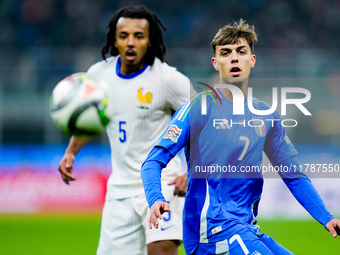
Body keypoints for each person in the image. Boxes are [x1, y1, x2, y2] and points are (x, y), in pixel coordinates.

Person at [141, 20, 340, 255]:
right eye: (225, 53)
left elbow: (294, 176)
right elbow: (153, 161)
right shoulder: (198, 109)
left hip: (245, 228)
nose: (234, 58)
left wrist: (326, 218)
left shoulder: (266, 116)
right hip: (212, 231)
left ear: (252, 60)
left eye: (241, 51)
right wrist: (156, 197)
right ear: (216, 63)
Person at [58, 5, 190, 255]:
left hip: (163, 182)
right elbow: (90, 119)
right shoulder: (99, 75)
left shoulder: (167, 79)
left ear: (150, 41)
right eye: (124, 36)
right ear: (114, 40)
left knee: (160, 249)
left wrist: (193, 171)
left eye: (138, 36)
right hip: (119, 189)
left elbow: (203, 121)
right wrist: (71, 151)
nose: (131, 42)